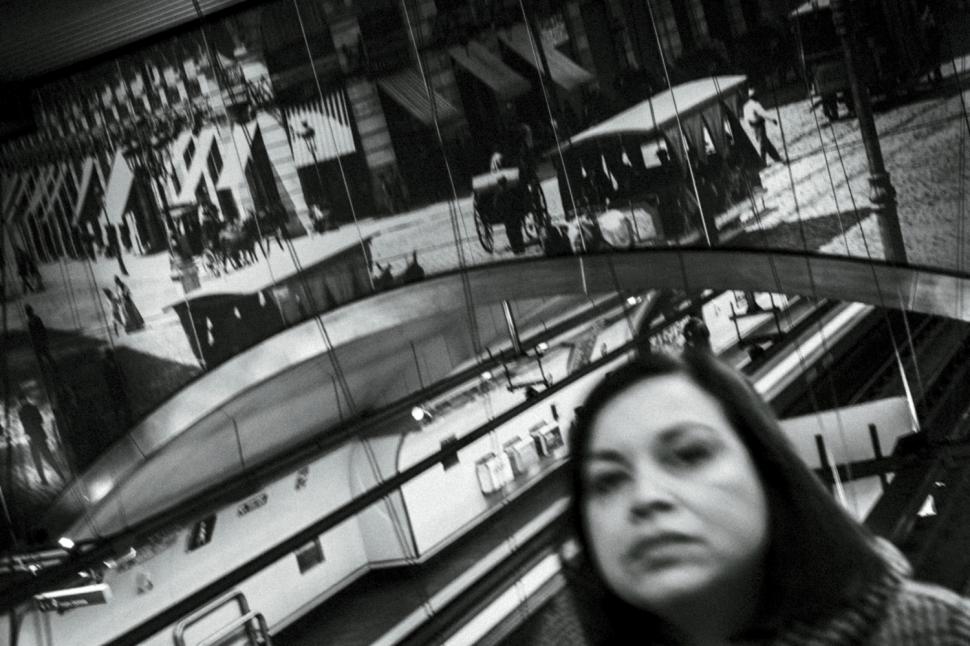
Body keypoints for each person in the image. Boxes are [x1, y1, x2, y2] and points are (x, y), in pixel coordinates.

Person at [565, 351, 970, 645]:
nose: (645, 497)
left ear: (767, 470)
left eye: (690, 454)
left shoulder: (938, 632)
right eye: (607, 481)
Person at [18, 392, 64, 486]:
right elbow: (40, 420)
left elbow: (25, 425)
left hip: (32, 438)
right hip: (40, 436)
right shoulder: (33, 407)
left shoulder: (21, 412)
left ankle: (44, 480)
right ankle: (61, 475)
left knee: (37, 459)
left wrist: (28, 434)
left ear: (20, 401)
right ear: (26, 399)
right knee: (48, 457)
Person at [743, 88, 785, 165]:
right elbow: (763, 113)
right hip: (759, 125)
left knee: (765, 143)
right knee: (763, 144)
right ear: (754, 96)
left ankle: (776, 157)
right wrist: (772, 119)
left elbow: (746, 119)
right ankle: (763, 162)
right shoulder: (756, 104)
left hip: (753, 127)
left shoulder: (746, 106)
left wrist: (750, 127)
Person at [25, 305, 55, 369]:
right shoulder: (32, 320)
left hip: (39, 340)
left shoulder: (34, 319)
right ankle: (47, 368)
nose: (28, 313)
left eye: (28, 311)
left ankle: (51, 367)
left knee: (45, 355)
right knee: (42, 356)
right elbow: (37, 331)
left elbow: (41, 329)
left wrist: (44, 339)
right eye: (27, 312)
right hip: (37, 341)